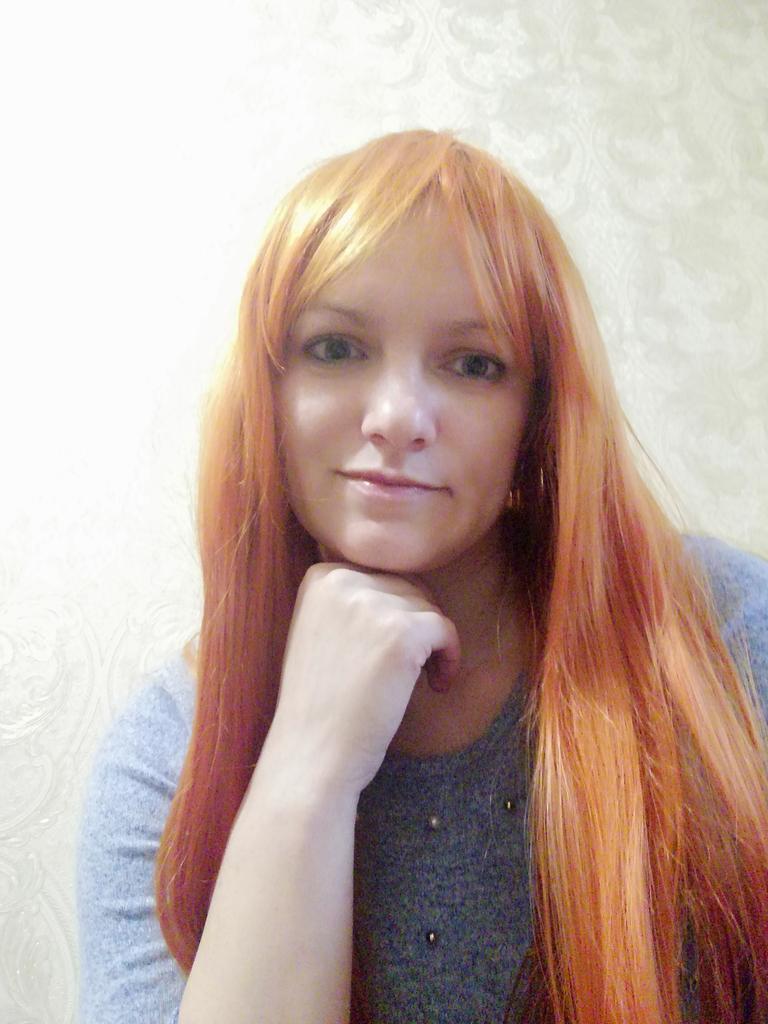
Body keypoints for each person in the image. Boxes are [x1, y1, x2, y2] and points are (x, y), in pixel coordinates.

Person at [77, 129, 768, 1024]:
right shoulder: (163, 761)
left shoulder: (724, 643)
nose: (398, 417)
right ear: (266, 394)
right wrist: (305, 770)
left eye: (474, 364)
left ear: (536, 421)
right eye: (336, 348)